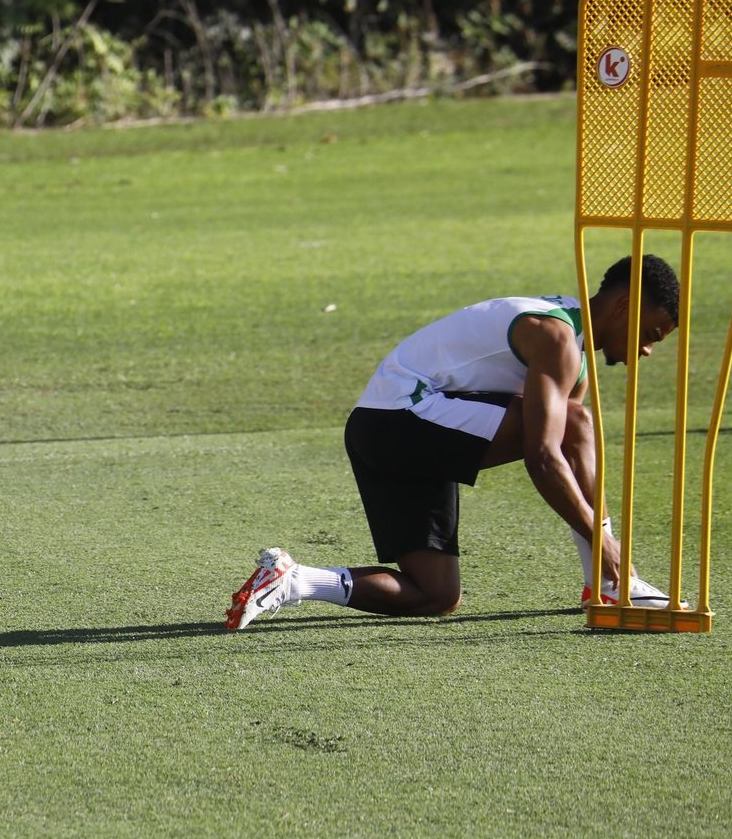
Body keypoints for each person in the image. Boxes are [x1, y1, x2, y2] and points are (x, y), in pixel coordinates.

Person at [227, 254, 680, 630]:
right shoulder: (556, 335)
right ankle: (613, 585)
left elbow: (563, 459)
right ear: (623, 307)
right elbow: (544, 457)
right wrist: (609, 549)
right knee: (575, 425)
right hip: (400, 419)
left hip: (385, 431)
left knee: (436, 594)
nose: (647, 351)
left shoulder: (572, 354)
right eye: (651, 334)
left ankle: (293, 580)